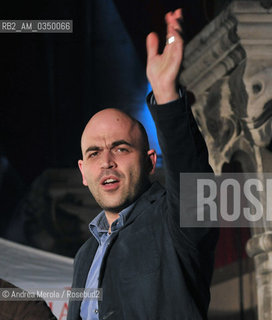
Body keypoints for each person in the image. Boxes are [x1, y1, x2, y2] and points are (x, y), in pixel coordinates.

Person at [67, 9, 219, 320]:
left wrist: (166, 95)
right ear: (83, 172)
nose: (107, 161)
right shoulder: (84, 257)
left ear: (150, 162)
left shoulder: (174, 223)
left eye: (120, 149)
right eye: (94, 153)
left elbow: (194, 186)